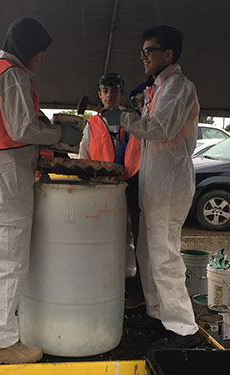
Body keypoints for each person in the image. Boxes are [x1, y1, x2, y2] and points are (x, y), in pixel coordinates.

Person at [0, 18, 82, 364]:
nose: (42, 60)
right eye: (41, 54)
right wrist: (60, 135)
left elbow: (18, 123)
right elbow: (20, 128)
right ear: (28, 49)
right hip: (4, 172)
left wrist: (47, 128)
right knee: (7, 257)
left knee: (0, 251)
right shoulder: (11, 75)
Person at [119, 25, 202, 347]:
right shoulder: (157, 88)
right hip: (154, 180)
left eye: (149, 51)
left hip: (170, 182)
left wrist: (123, 118)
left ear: (168, 54)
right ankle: (157, 312)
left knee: (164, 253)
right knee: (147, 251)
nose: (143, 58)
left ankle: (184, 328)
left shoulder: (179, 85)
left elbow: (162, 129)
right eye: (142, 52)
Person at [78, 73, 144, 309]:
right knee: (102, 237)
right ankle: (102, 282)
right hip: (102, 190)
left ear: (121, 94)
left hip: (133, 186)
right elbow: (84, 159)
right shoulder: (92, 125)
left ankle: (131, 286)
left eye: (114, 91)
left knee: (133, 237)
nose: (109, 95)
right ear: (100, 94)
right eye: (105, 91)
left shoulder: (134, 121)